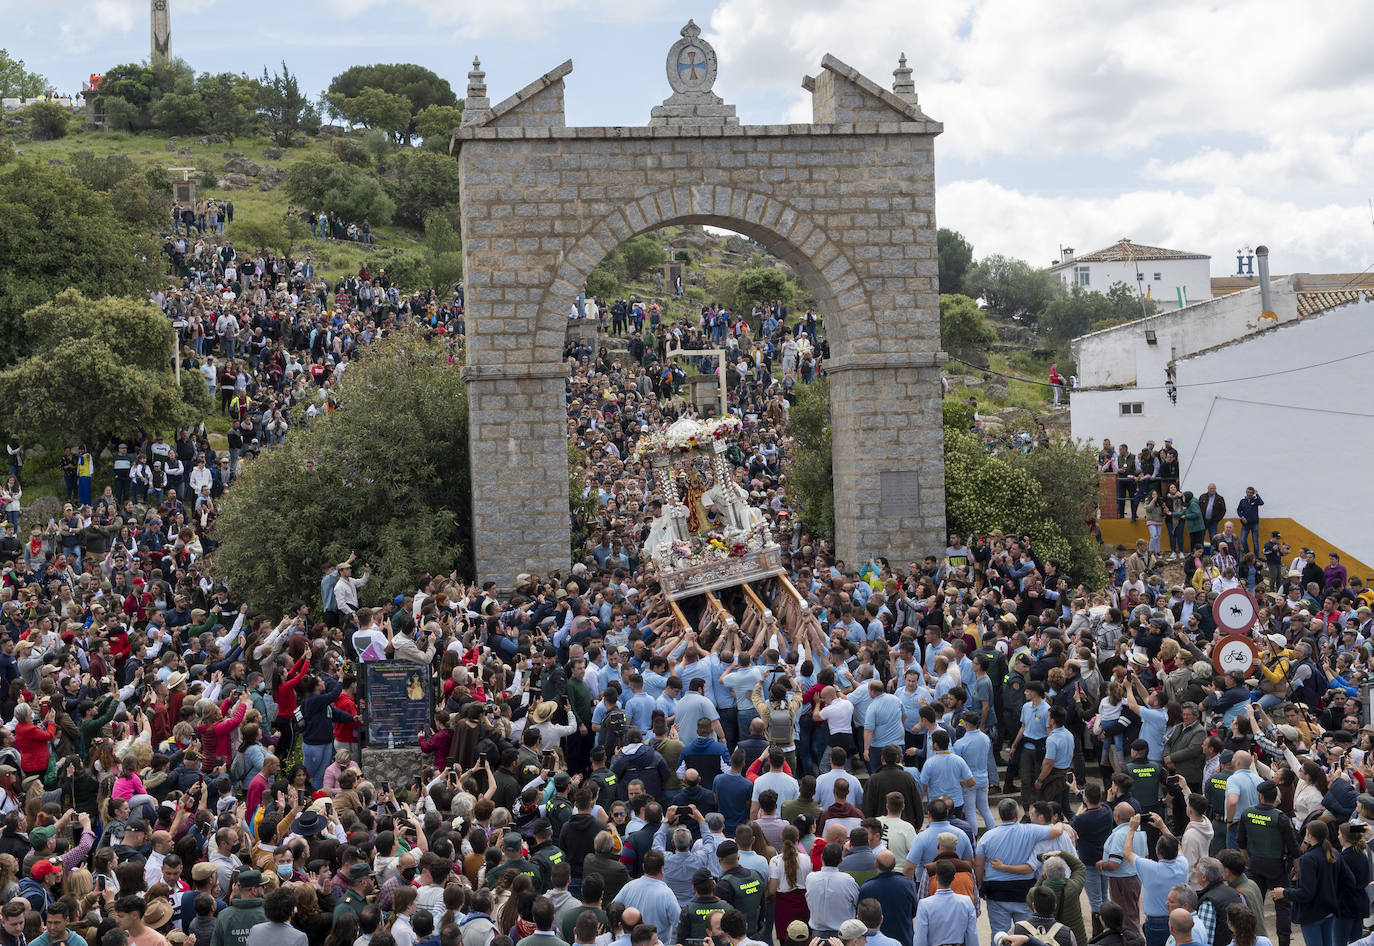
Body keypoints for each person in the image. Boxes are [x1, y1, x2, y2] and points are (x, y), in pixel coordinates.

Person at [1271, 822, 1354, 946]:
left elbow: (1306, 893)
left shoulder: (1309, 859)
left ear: (1309, 835)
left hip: (1312, 914)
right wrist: (1333, 894)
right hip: (1329, 910)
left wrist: (1284, 892)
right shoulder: (1334, 853)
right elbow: (1350, 880)